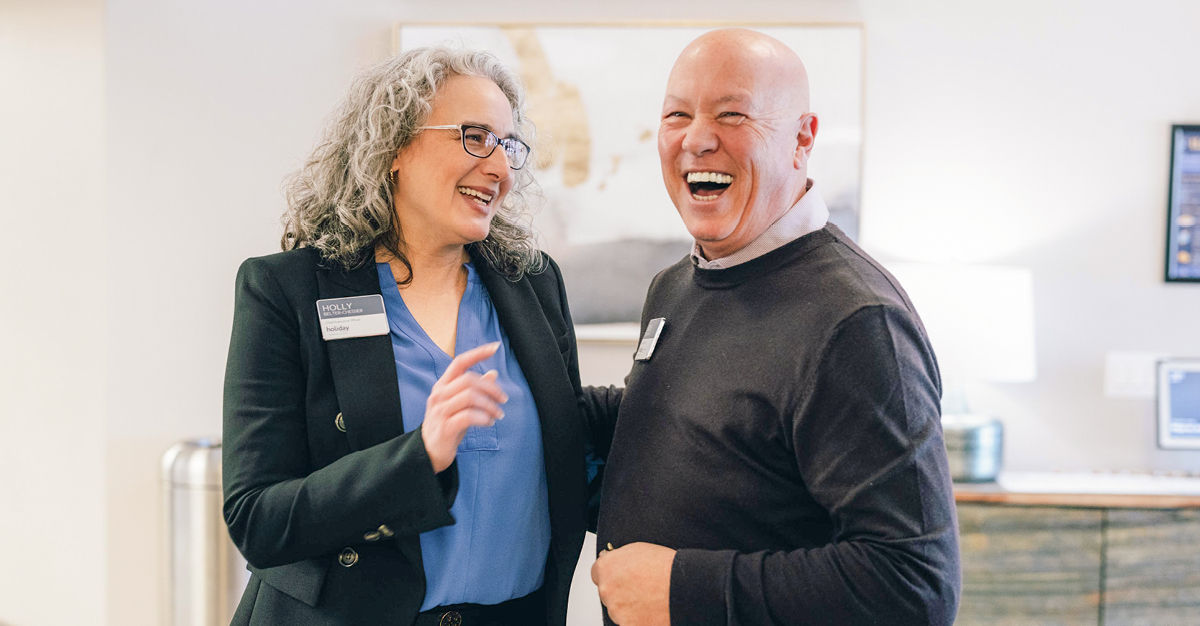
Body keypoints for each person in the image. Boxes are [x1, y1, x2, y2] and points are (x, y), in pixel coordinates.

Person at [588, 29, 961, 625]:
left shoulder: (858, 322)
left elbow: (913, 585)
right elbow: (705, 438)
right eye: (676, 115)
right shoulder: (676, 285)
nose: (697, 138)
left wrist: (685, 589)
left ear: (802, 139)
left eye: (732, 114)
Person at [222, 47, 598, 625]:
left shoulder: (534, 284)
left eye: (508, 146)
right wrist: (416, 457)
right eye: (474, 137)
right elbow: (259, 520)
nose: (499, 169)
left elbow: (570, 451)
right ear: (394, 146)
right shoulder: (286, 291)